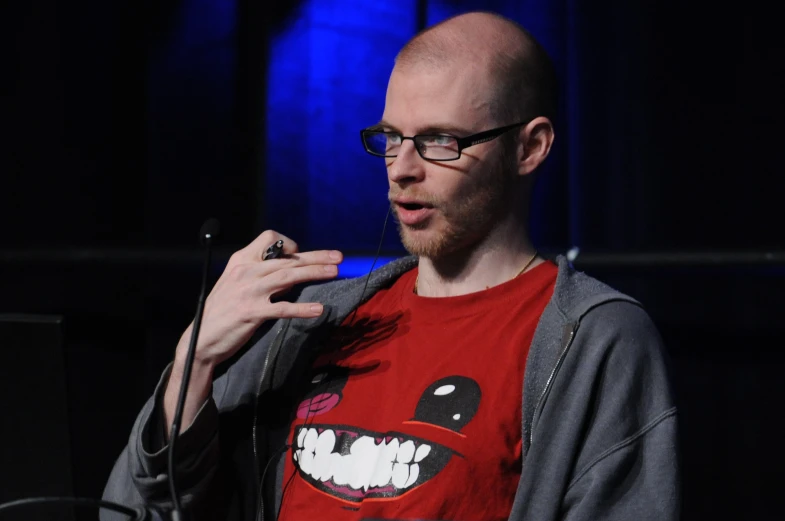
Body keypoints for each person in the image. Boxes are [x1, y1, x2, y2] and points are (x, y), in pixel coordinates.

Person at [102, 11, 679, 521]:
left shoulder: (593, 339)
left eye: (439, 141)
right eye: (392, 137)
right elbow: (147, 501)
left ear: (529, 148)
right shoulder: (317, 321)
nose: (401, 168)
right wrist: (194, 359)